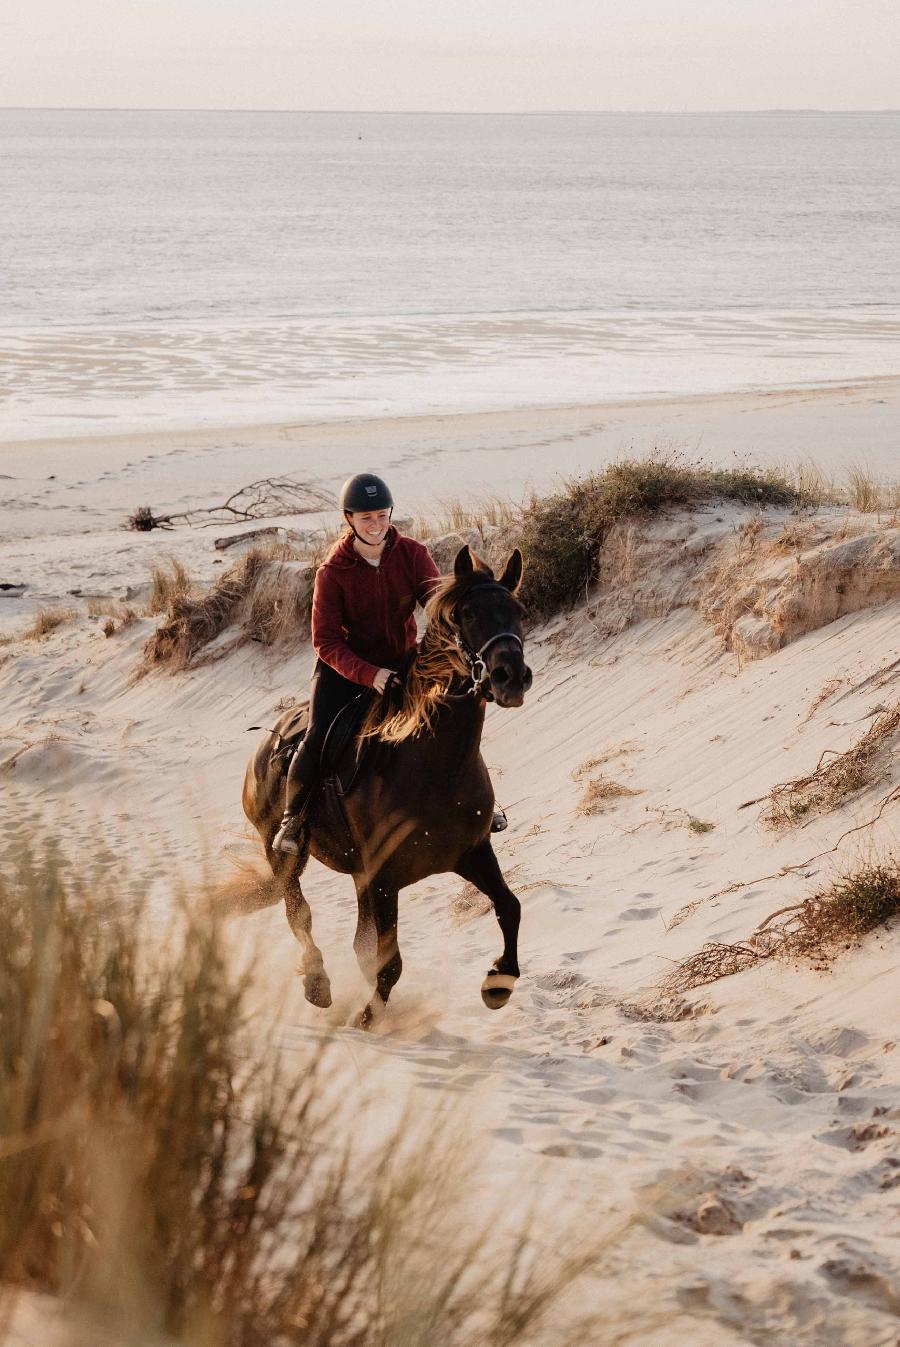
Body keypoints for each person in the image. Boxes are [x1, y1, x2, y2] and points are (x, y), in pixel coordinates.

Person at [274, 472, 508, 855]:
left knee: (447, 715)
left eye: (382, 515)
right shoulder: (332, 573)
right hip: (345, 670)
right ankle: (293, 820)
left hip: (403, 662)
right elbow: (325, 640)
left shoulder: (412, 554)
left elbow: (435, 605)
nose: (376, 525)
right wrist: (371, 675)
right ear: (348, 519)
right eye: (367, 518)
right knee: (318, 735)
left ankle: (480, 801)